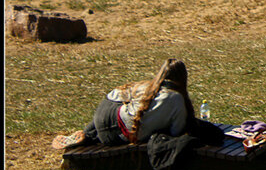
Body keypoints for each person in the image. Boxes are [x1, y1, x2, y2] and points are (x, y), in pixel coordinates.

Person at [52, 58, 196, 150]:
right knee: (125, 125)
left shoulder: (149, 87)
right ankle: (88, 135)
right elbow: (177, 133)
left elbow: (114, 95)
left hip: (105, 111)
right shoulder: (177, 99)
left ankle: (87, 132)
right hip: (112, 136)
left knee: (122, 113)